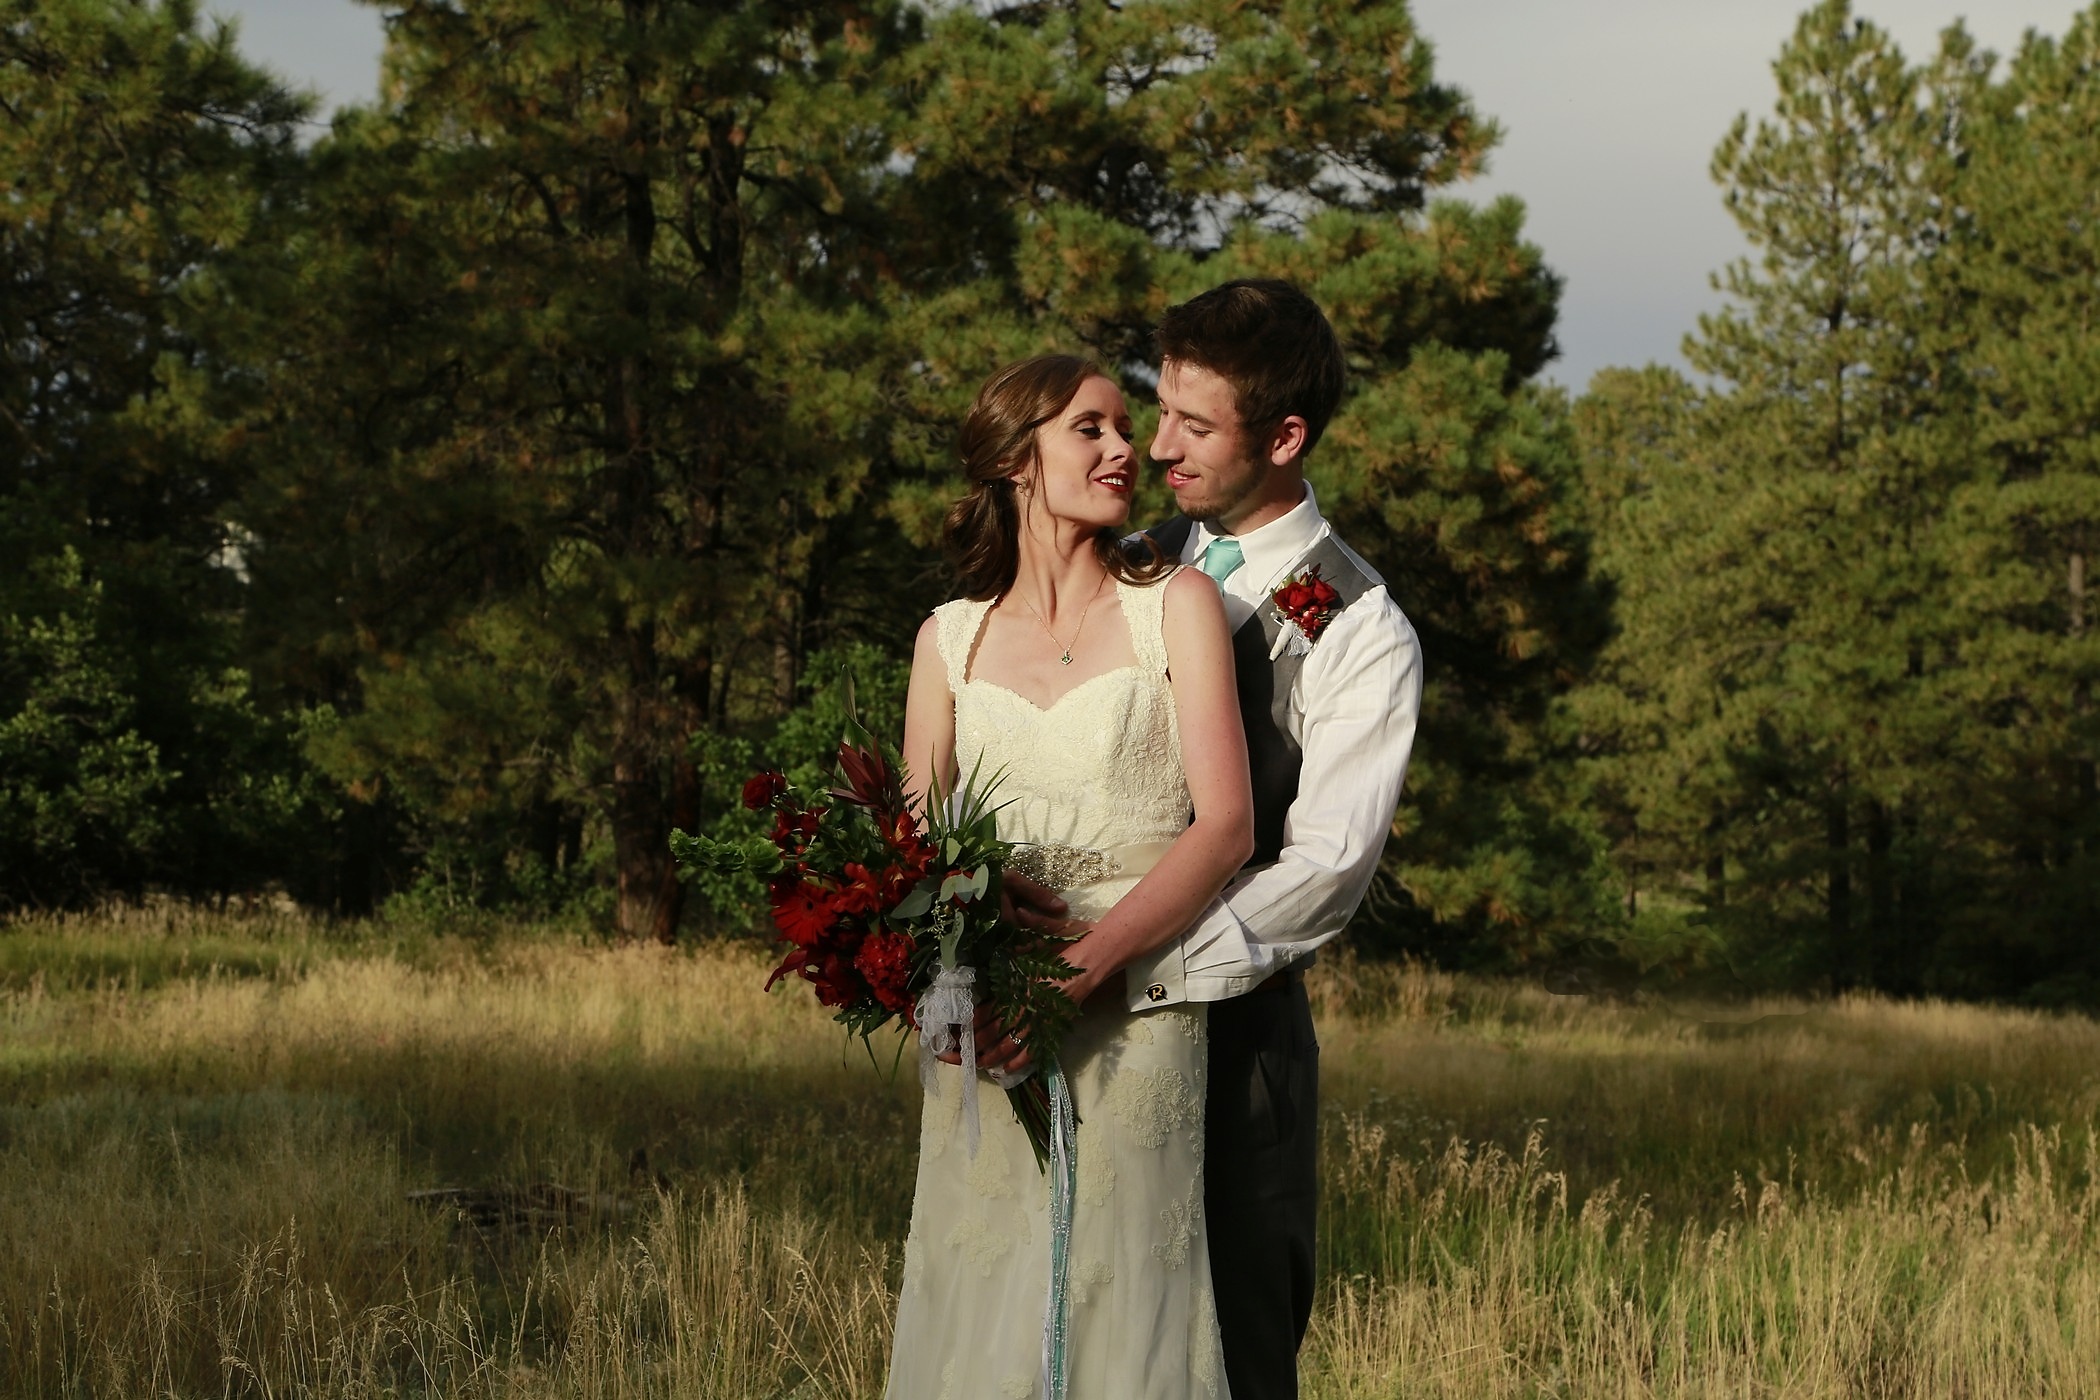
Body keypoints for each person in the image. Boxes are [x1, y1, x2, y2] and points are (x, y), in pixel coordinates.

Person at [885, 354, 1255, 1400]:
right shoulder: (948, 641)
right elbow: (913, 855)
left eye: (1125, 427)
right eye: (1090, 428)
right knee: (986, 1288)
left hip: (1135, 1006)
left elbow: (1226, 826)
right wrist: (960, 957)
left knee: (1125, 1291)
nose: (1126, 449)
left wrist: (1087, 965)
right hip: (991, 1023)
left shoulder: (1175, 605)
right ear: (1017, 457)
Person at [1133, 279, 1423, 1400]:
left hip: (1235, 1036)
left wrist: (1139, 967)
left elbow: (1326, 870)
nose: (1159, 446)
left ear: (1286, 436)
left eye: (1195, 427)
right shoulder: (1132, 559)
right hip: (1074, 1012)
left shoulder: (1358, 626)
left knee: (1235, 1348)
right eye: (1162, 410)